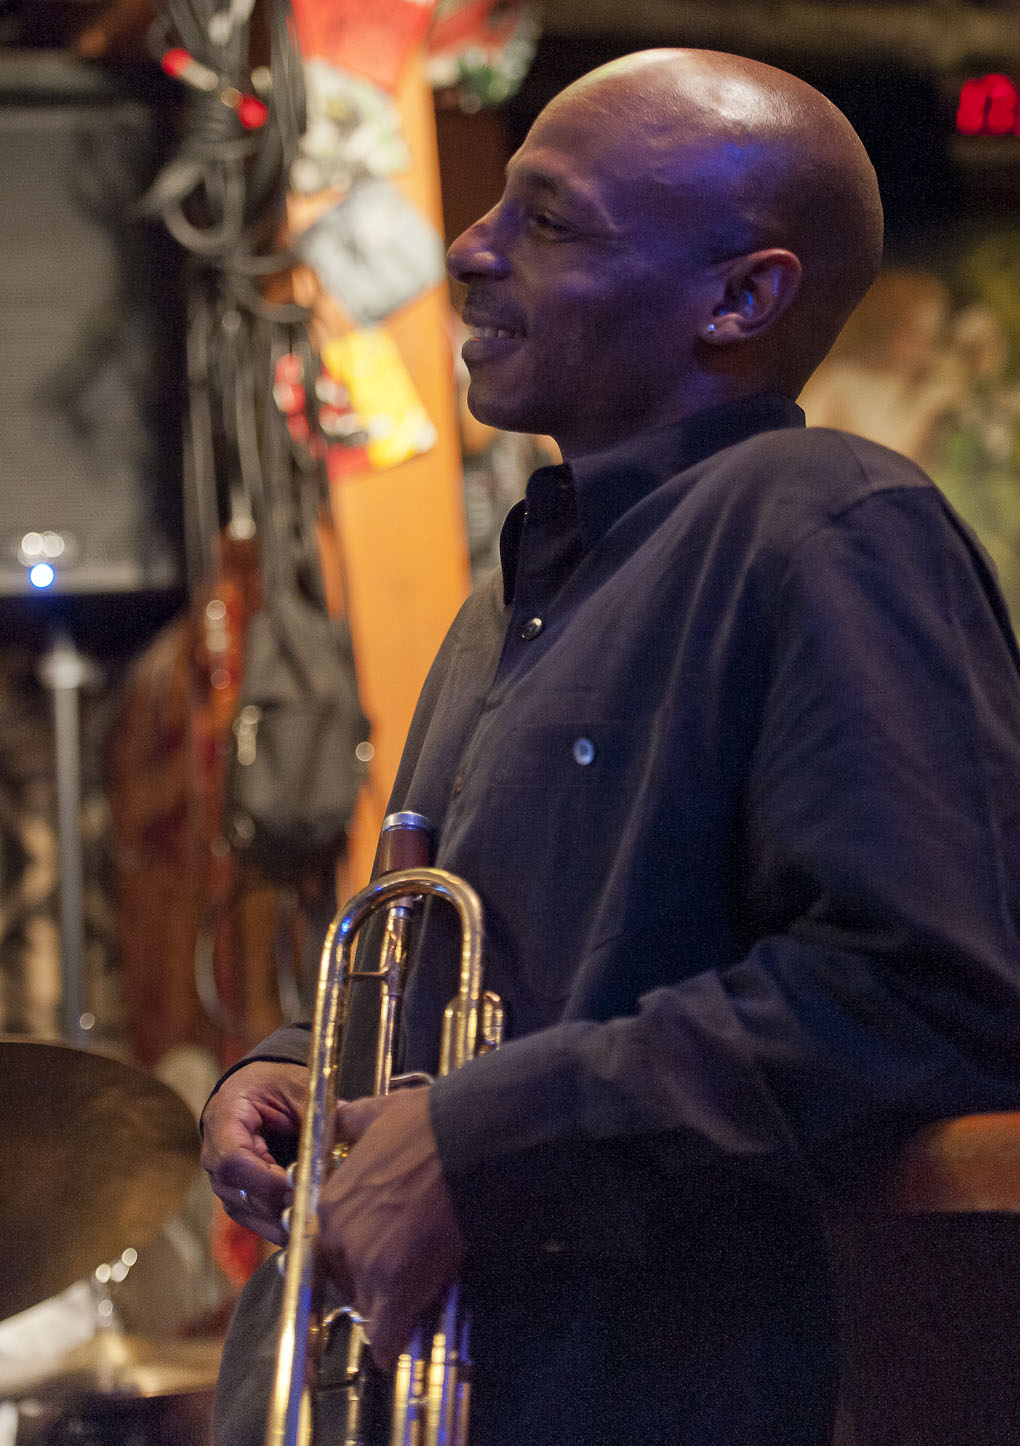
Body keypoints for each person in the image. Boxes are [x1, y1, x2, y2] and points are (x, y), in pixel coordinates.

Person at [200, 48, 1020, 1446]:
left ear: (741, 296)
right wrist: (295, 1072)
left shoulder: (826, 520)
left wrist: (485, 1144)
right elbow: (495, 973)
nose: (469, 247)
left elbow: (925, 989)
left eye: (549, 219)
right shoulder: (510, 601)